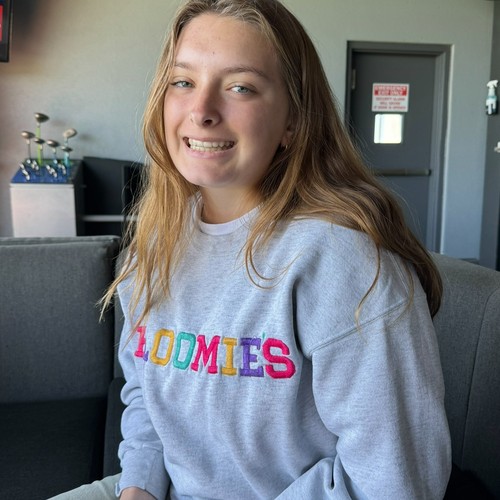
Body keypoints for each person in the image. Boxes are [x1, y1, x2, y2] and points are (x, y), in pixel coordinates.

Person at [52, 0, 451, 498]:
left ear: (293, 121)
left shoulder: (344, 261)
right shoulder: (155, 243)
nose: (202, 111)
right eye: (183, 81)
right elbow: (148, 401)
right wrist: (140, 485)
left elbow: (395, 480)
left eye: (240, 87)